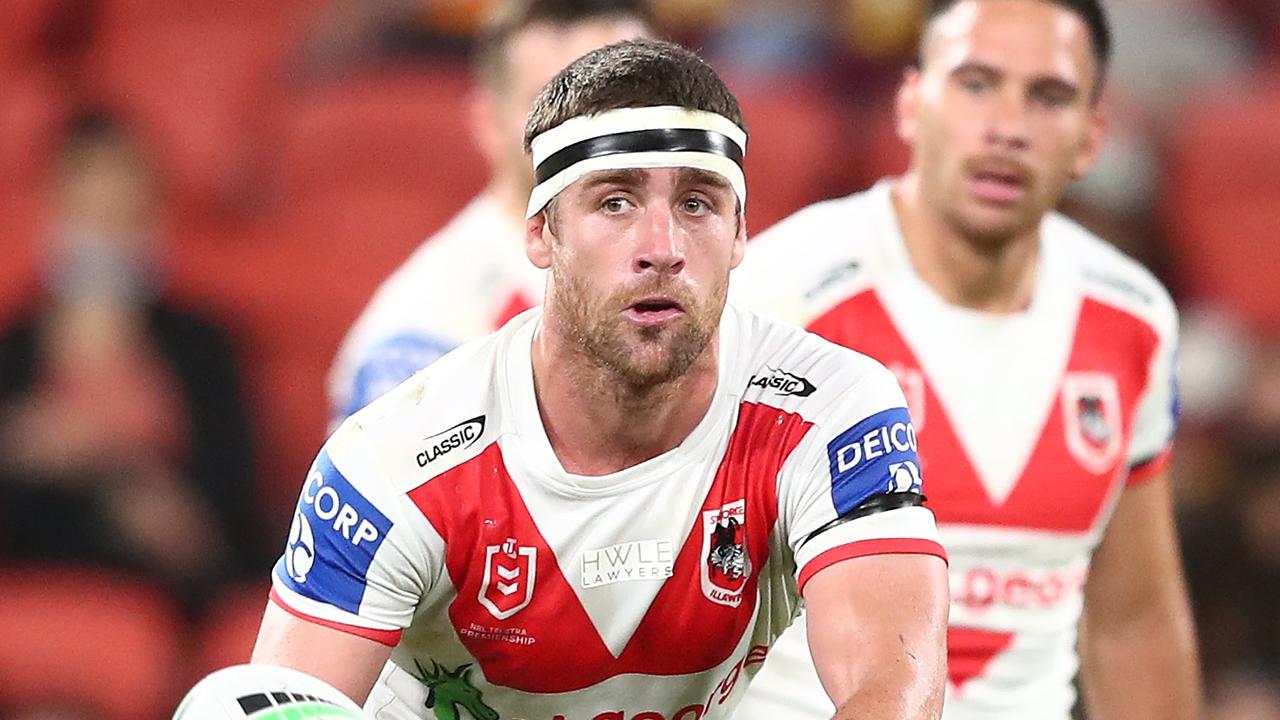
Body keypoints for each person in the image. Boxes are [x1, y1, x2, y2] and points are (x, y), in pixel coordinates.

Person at [252, 38, 949, 720]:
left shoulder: (829, 414)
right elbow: (283, 708)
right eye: (615, 202)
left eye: (697, 204)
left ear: (740, 235)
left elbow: (895, 685)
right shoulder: (394, 460)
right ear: (540, 234)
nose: (662, 250)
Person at [730, 1, 1202, 719]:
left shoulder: (1132, 321)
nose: (1007, 127)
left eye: (1049, 97)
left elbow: (1132, 619)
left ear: (1089, 139)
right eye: (976, 83)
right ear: (913, 105)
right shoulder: (779, 293)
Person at [327, 0, 653, 426]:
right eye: (557, 100)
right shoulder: (435, 332)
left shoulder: (729, 271)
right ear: (489, 123)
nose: (600, 126)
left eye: (632, 96)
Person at [0, 112, 262, 611]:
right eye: (90, 215)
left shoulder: (205, 346)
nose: (105, 240)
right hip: (41, 574)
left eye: (122, 216)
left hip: (170, 588)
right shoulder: (14, 347)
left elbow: (229, 505)